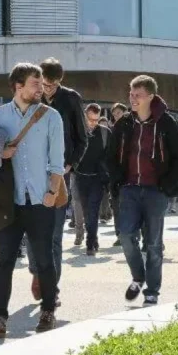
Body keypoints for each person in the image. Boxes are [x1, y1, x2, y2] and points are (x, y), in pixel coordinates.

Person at [0, 63, 66, 337]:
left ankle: (48, 310)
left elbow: (57, 162)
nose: (41, 88)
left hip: (41, 200)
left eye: (42, 84)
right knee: (4, 260)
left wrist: (52, 193)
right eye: (35, 83)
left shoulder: (51, 117)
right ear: (18, 86)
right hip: (9, 201)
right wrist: (0, 153)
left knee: (44, 260)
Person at [108, 75, 178, 306]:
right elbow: (110, 156)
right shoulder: (124, 124)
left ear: (150, 97)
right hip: (129, 189)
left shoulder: (166, 123)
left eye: (137, 95)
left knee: (153, 243)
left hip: (155, 191)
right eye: (131, 94)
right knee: (125, 236)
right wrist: (118, 181)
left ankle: (152, 291)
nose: (132, 99)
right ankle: (138, 276)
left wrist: (166, 186)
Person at [27, 57, 87, 302]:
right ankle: (37, 271)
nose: (46, 89)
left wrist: (68, 165)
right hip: (32, 173)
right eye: (43, 84)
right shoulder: (32, 98)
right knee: (31, 232)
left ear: (60, 82)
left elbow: (82, 138)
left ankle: (51, 285)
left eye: (51, 85)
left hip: (58, 174)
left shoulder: (71, 99)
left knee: (53, 235)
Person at [75, 104, 111, 255]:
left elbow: (110, 156)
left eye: (96, 120)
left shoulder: (105, 133)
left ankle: (90, 242)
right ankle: (93, 238)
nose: (93, 123)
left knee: (93, 210)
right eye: (90, 119)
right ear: (84, 116)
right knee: (85, 210)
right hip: (80, 177)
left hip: (97, 178)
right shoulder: (77, 132)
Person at [109, 103, 128, 246]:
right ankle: (120, 234)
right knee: (116, 206)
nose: (117, 115)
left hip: (129, 174)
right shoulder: (111, 131)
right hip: (115, 175)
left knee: (129, 206)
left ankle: (131, 234)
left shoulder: (131, 129)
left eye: (119, 112)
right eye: (114, 113)